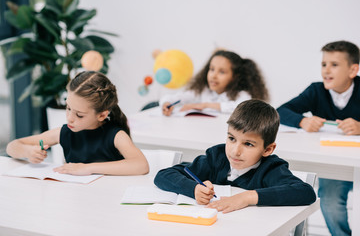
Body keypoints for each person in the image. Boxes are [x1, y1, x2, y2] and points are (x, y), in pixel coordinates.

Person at [154, 99, 316, 213]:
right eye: (231, 139)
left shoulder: (271, 169)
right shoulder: (216, 157)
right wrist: (193, 188)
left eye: (248, 144)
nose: (235, 151)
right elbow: (163, 176)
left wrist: (246, 197)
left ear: (267, 149)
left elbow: (305, 192)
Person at [277, 40, 360, 236]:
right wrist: (302, 121)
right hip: (335, 162)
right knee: (329, 200)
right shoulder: (316, 90)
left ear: (352, 70)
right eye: (324, 64)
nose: (326, 70)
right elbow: (280, 111)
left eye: (334, 65)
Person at [6, 71, 149, 176]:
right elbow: (12, 147)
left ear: (102, 115)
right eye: (68, 108)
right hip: (75, 200)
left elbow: (141, 165)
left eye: (79, 115)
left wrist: (88, 168)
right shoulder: (64, 132)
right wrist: (28, 151)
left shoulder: (116, 136)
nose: (70, 118)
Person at [161, 50, 269, 116]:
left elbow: (242, 109)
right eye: (211, 69)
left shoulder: (242, 94)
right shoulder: (203, 91)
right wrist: (166, 103)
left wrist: (205, 105)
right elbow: (179, 97)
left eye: (222, 72)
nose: (214, 75)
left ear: (235, 77)